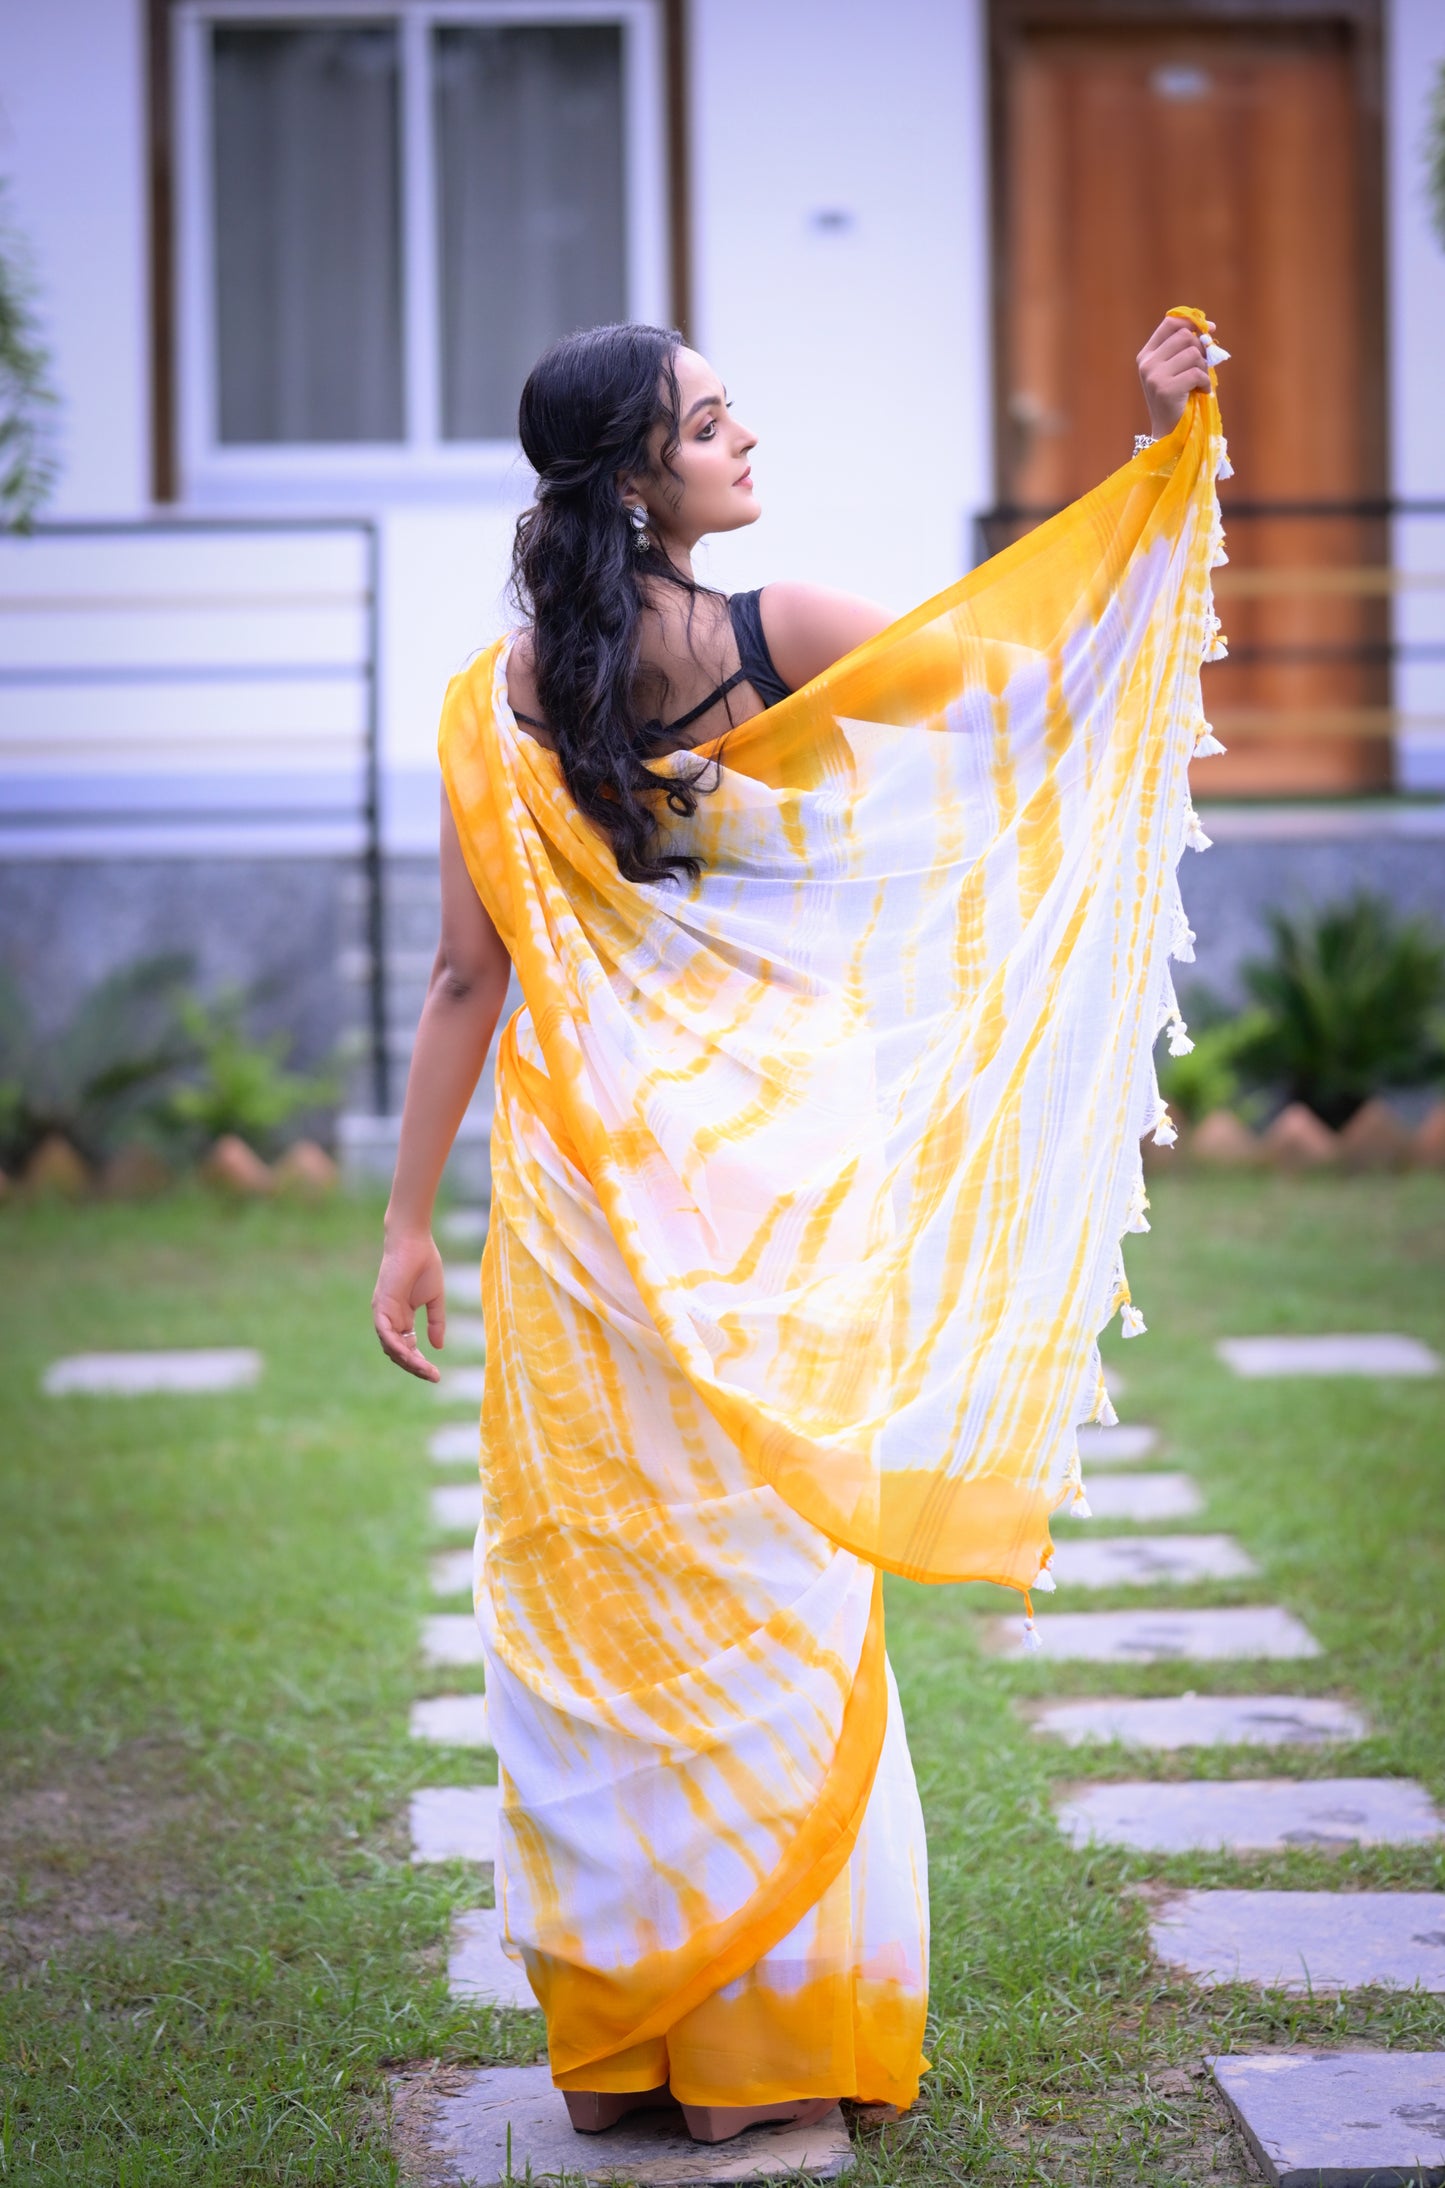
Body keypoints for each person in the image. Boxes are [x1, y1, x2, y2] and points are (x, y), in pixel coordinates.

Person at [372, 313, 1221, 2144]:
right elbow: (1047, 669)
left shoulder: (485, 699)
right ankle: (759, 2034)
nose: (742, 434)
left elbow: (463, 978)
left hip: (576, 1201)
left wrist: (400, 1228)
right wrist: (1154, 459)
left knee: (603, 1585)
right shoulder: (781, 639)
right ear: (633, 478)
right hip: (763, 1197)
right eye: (705, 418)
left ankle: (619, 2047)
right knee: (761, 1592)